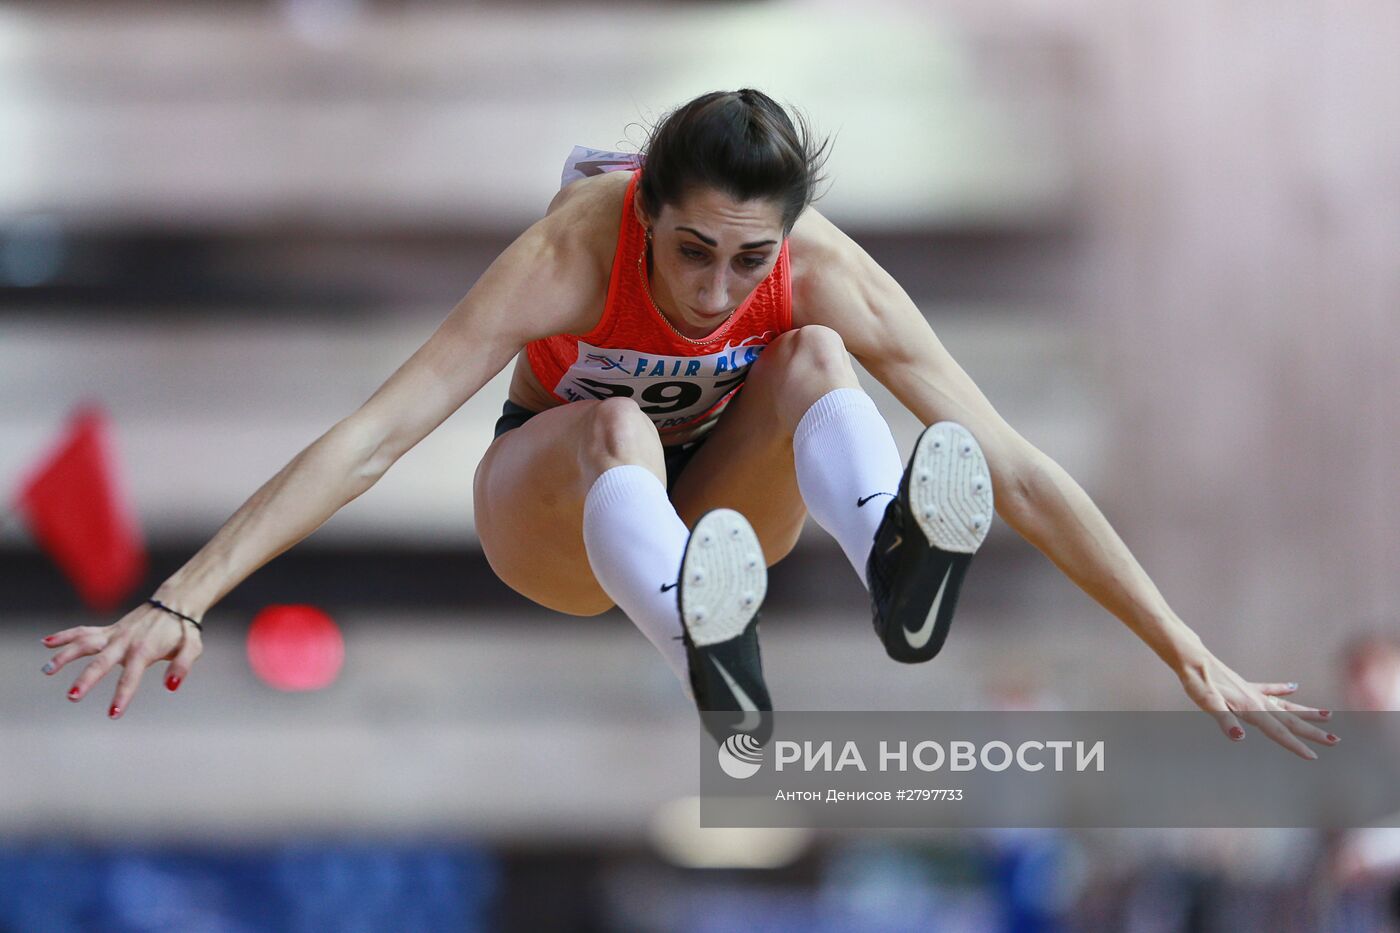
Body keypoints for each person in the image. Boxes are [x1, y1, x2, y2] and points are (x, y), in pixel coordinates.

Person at [40, 88, 1334, 758]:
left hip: (732, 513)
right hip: (551, 513)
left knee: (821, 354)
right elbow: (374, 435)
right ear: (646, 209)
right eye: (692, 250)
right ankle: (708, 661)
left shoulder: (815, 268)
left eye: (746, 257)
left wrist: (1181, 643)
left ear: (783, 233)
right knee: (618, 430)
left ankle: (892, 557)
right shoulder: (566, 251)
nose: (717, 291)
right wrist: (185, 593)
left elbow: (1013, 464)